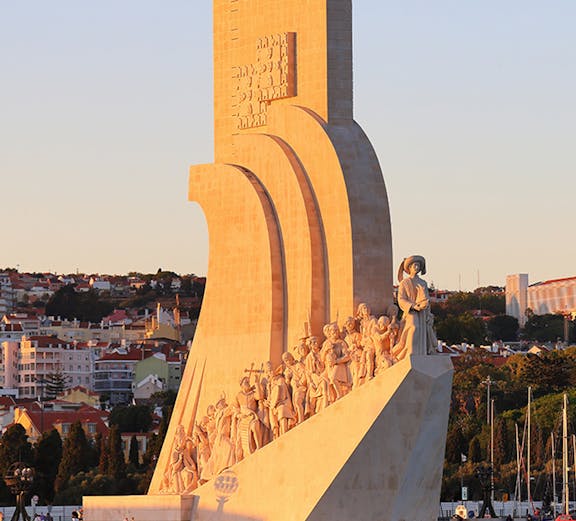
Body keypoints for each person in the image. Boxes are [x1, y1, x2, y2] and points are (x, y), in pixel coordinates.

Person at [392, 255, 438, 360]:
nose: (416, 267)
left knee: (423, 330)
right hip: (411, 312)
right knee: (414, 327)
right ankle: (409, 351)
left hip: (422, 312)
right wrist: (413, 306)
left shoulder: (423, 283)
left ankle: (421, 353)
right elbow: (401, 299)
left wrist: (427, 312)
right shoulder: (405, 282)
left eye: (418, 265)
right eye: (414, 265)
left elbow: (426, 299)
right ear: (410, 268)